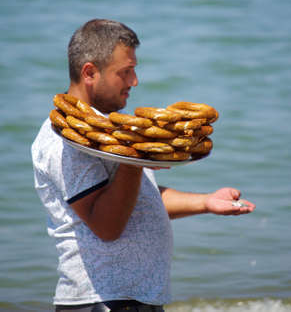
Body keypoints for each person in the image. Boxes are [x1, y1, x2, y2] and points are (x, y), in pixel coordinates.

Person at [32, 19, 256, 312]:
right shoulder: (62, 141)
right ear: (90, 72)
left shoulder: (113, 129)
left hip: (137, 299)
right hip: (100, 301)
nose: (134, 81)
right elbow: (107, 225)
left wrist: (206, 202)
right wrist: (134, 160)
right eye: (125, 72)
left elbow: (136, 198)